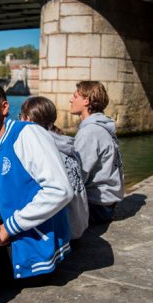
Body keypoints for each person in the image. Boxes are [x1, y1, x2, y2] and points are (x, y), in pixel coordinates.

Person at [0, 82, 72, 284]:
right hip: (18, 248)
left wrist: (6, 229)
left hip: (33, 258)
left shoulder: (26, 133)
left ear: (4, 107)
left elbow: (60, 190)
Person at [19, 96, 89, 241]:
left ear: (28, 120)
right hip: (80, 224)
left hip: (65, 233)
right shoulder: (67, 144)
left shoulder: (40, 149)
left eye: (20, 117)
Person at [69, 81, 124, 226]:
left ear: (86, 100)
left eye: (75, 96)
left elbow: (77, 175)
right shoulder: (103, 127)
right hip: (108, 203)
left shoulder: (90, 132)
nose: (71, 100)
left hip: (96, 207)